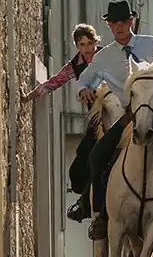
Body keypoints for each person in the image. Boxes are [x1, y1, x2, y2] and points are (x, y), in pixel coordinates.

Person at [76, 0, 153, 241]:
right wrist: (84, 90)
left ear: (131, 22)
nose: (119, 27)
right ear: (109, 26)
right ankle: (100, 214)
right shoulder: (104, 56)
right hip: (125, 117)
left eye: (123, 22)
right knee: (97, 155)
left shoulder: (150, 44)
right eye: (114, 23)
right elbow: (84, 79)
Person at [21, 24, 103, 218]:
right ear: (77, 46)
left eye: (90, 43)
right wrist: (29, 96)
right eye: (82, 45)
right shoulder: (75, 64)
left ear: (96, 42)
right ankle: (86, 201)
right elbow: (54, 82)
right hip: (94, 120)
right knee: (83, 160)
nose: (87, 49)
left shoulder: (107, 56)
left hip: (114, 113)